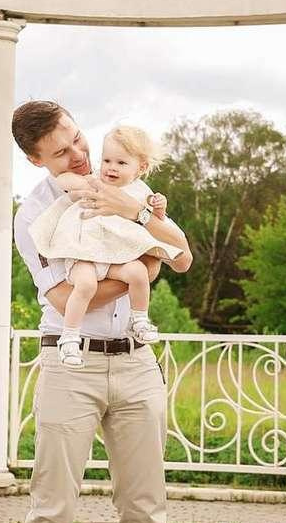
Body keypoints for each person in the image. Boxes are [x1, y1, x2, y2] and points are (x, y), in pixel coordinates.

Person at [9, 100, 193, 523]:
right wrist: (140, 266)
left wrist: (143, 231)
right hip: (71, 363)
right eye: (62, 152)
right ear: (37, 160)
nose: (81, 155)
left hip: (136, 363)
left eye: (78, 139)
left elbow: (177, 255)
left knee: (145, 510)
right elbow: (65, 299)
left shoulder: (126, 180)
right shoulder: (34, 213)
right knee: (52, 509)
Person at [27, 124, 182, 366]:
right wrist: (79, 184)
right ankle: (69, 337)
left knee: (139, 272)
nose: (111, 167)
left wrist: (156, 208)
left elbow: (168, 239)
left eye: (121, 163)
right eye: (107, 160)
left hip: (114, 260)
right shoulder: (94, 180)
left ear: (140, 168)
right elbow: (64, 179)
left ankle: (140, 318)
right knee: (86, 284)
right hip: (84, 255)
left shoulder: (140, 192)